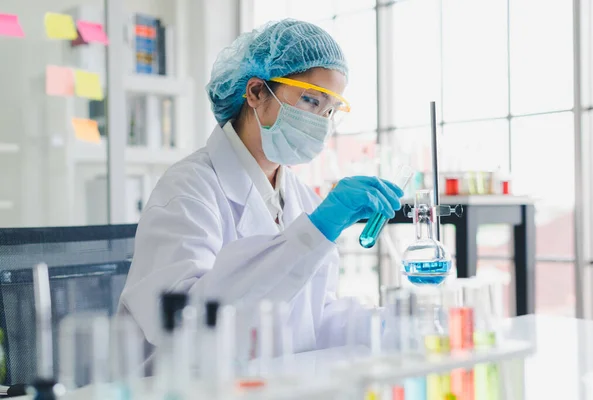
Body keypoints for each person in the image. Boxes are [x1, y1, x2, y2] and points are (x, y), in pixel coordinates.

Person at [119, 19, 403, 353]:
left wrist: (390, 324)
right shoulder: (188, 190)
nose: (320, 122)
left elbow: (310, 318)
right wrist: (311, 235)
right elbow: (188, 325)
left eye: (330, 111)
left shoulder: (299, 197)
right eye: (311, 101)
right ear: (255, 92)